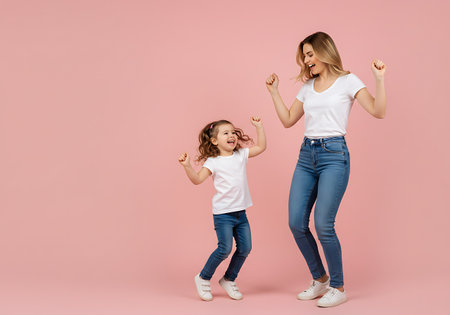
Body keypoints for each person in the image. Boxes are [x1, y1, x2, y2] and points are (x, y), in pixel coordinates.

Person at [265, 31, 386, 307]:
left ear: (324, 51)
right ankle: (320, 279)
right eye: (304, 56)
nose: (307, 61)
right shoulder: (307, 87)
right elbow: (287, 121)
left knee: (323, 224)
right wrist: (273, 92)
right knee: (296, 222)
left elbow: (378, 111)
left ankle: (338, 286)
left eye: (310, 54)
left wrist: (379, 79)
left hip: (334, 155)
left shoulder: (348, 81)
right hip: (306, 155)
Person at [178, 117, 266, 301]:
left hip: (241, 213)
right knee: (224, 249)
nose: (232, 135)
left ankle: (229, 279)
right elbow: (197, 180)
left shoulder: (241, 154)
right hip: (223, 214)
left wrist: (259, 127)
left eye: (233, 132)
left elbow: (261, 147)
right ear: (214, 140)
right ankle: (203, 278)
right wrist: (187, 167)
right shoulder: (213, 161)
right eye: (225, 133)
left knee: (245, 248)